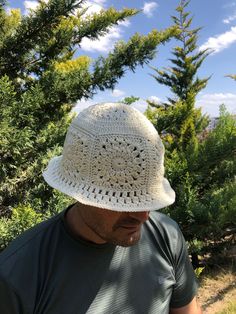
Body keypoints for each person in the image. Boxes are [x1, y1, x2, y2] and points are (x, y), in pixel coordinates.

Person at [0, 103, 202, 314]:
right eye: (121, 200)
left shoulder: (167, 237)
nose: (143, 216)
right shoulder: (18, 276)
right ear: (80, 194)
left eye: (146, 200)